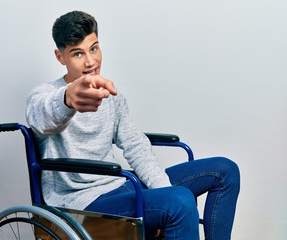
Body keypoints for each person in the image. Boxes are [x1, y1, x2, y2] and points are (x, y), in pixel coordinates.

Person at [26, 10, 240, 240]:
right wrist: (68, 98)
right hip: (83, 201)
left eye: (94, 48)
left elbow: (136, 147)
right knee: (179, 201)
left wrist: (162, 192)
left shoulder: (112, 96)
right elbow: (45, 116)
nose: (90, 61)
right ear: (60, 57)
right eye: (78, 54)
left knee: (225, 171)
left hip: (122, 185)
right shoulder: (45, 95)